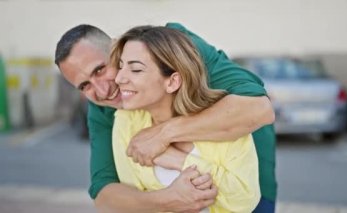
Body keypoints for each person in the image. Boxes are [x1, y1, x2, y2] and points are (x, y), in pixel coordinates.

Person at [55, 23, 277, 213]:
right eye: (85, 86)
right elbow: (104, 192)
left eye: (100, 70)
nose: (103, 91)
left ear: (116, 49)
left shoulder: (177, 48)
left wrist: (163, 134)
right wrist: (169, 199)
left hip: (253, 183)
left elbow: (259, 110)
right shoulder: (106, 111)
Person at [111, 25, 260, 212]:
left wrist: (178, 159)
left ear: (172, 81)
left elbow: (244, 200)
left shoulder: (226, 122)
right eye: (121, 66)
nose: (118, 78)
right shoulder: (126, 122)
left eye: (136, 70)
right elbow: (132, 204)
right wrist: (170, 198)